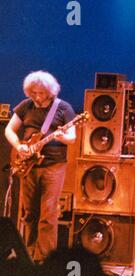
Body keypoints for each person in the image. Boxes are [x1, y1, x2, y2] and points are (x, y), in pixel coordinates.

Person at [4, 70, 76, 263]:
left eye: (40, 93)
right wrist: (19, 146)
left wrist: (61, 136)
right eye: (33, 92)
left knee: (48, 214)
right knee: (29, 214)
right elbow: (9, 129)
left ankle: (44, 260)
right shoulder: (25, 106)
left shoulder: (63, 108)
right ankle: (28, 256)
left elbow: (72, 137)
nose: (36, 96)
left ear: (50, 92)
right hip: (29, 166)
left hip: (54, 165)